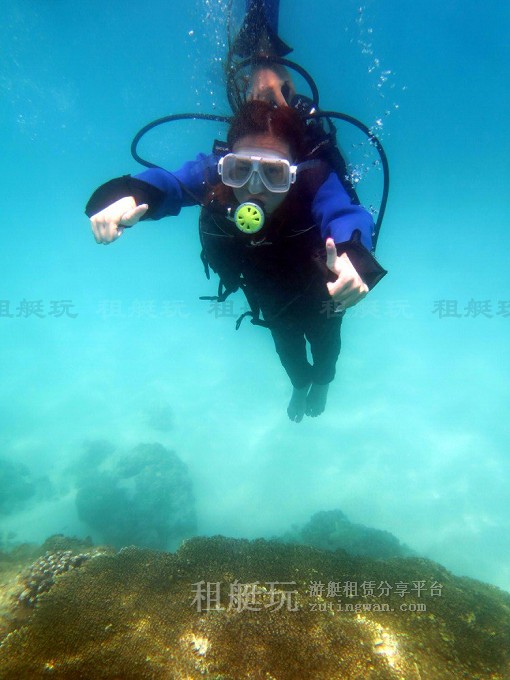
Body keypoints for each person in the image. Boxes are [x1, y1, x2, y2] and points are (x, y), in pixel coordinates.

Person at [86, 100, 386, 422]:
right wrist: (130, 194)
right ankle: (300, 385)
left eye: (274, 172)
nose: (255, 187)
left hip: (322, 290)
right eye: (240, 169)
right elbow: (171, 183)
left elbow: (344, 214)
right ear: (225, 166)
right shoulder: (215, 175)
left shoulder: (313, 179)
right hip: (269, 294)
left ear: (294, 172)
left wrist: (352, 255)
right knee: (286, 347)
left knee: (326, 344)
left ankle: (323, 382)